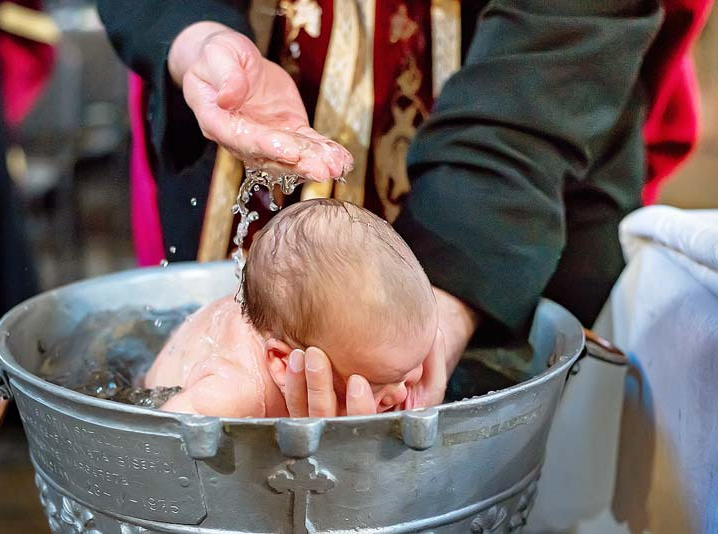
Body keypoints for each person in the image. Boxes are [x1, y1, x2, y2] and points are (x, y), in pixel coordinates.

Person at [97, 0, 710, 417]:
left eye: (404, 379)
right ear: (286, 360)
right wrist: (198, 34)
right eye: (392, 384)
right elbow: (159, 441)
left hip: (516, 124)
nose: (399, 402)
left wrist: (453, 286)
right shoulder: (241, 380)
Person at [146, 199, 452, 416]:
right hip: (159, 384)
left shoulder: (362, 348)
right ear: (282, 362)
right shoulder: (237, 393)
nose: (400, 394)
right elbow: (159, 443)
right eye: (376, 384)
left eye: (409, 372)